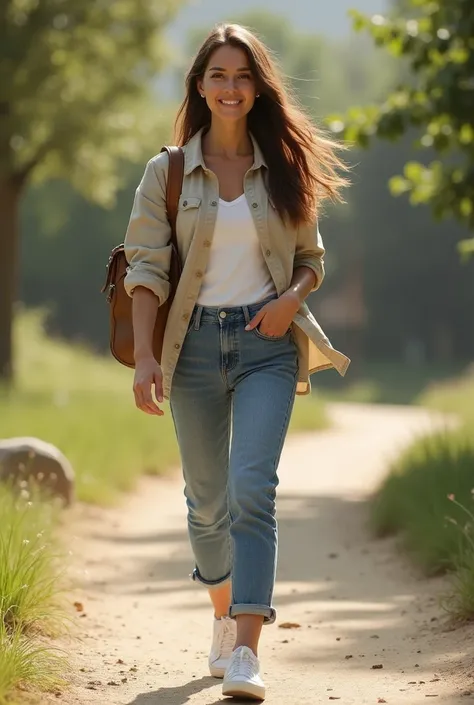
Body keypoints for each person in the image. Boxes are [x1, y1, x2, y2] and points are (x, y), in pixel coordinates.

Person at [123, 23, 350, 701]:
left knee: (253, 487)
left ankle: (247, 649)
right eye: (218, 76)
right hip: (189, 349)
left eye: (243, 76)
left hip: (266, 347)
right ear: (199, 85)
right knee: (206, 503)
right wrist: (143, 357)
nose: (231, 88)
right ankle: (222, 613)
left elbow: (312, 260)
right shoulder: (166, 173)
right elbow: (144, 268)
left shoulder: (284, 165)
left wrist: (289, 300)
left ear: (258, 88)